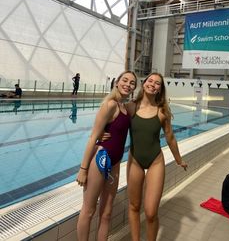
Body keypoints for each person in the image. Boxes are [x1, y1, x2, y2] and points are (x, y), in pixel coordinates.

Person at [125, 72, 187, 241]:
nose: (153, 84)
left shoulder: (162, 112)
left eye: (157, 83)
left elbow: (170, 137)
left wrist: (179, 160)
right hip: (135, 160)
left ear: (160, 89)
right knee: (134, 206)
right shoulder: (131, 107)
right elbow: (114, 125)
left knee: (151, 212)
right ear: (144, 83)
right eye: (150, 80)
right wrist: (103, 137)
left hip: (155, 161)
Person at [76, 70, 137, 241]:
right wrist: (83, 169)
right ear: (117, 82)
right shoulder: (110, 105)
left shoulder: (126, 107)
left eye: (132, 83)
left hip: (116, 162)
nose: (128, 84)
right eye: (125, 80)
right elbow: (93, 136)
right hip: (100, 159)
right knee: (89, 211)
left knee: (107, 213)